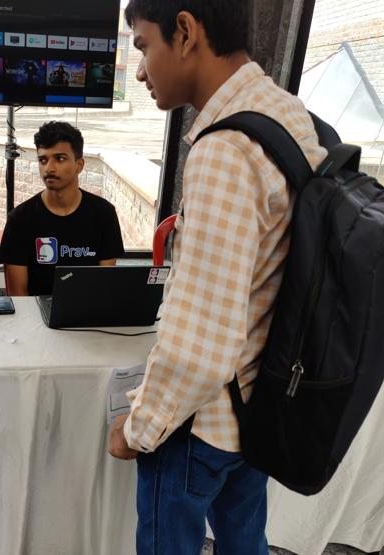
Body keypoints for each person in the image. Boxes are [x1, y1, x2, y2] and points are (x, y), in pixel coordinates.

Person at [106, 2, 328, 554]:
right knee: (244, 541)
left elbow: (201, 348)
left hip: (199, 425)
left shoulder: (225, 151)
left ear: (185, 32)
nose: (140, 71)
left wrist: (137, 430)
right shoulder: (287, 113)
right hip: (259, 404)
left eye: (143, 46)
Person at [0, 121, 124, 295]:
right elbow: (18, 297)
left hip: (89, 309)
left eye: (60, 159)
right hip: (34, 311)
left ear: (79, 165)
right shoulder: (19, 219)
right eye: (43, 160)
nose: (49, 168)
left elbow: (105, 286)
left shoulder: (104, 214)